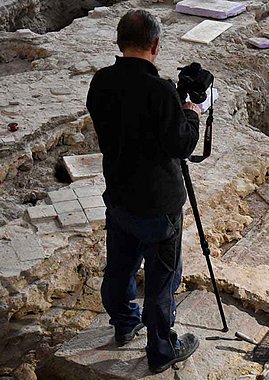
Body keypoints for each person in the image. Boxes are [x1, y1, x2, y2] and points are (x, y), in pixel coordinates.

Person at [86, 9, 201, 374]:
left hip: (119, 195)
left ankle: (123, 322)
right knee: (162, 279)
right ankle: (162, 349)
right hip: (158, 205)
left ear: (119, 43)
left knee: (120, 266)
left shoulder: (101, 82)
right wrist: (192, 111)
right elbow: (181, 145)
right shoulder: (160, 90)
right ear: (156, 45)